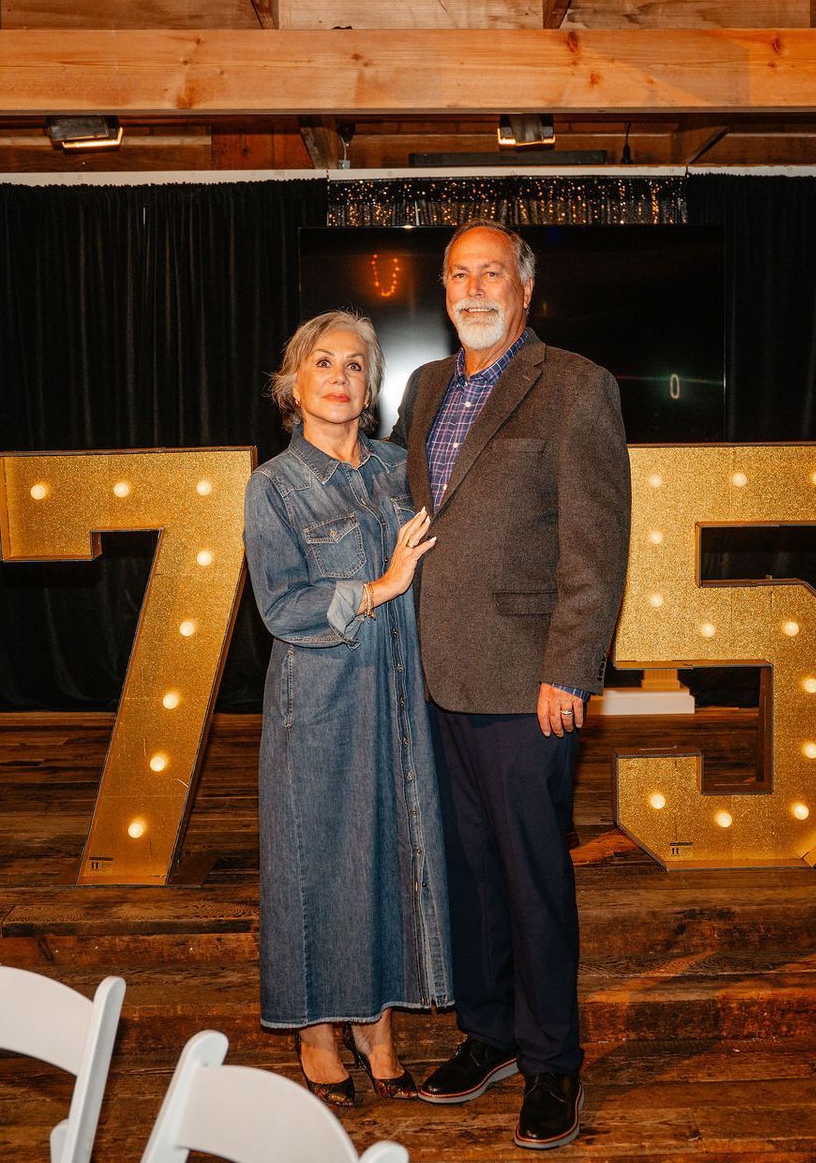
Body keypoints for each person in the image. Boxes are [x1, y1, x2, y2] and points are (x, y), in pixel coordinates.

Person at [390, 220, 631, 1151]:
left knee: (532, 879)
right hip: (438, 674)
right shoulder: (424, 387)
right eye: (459, 273)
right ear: (444, 291)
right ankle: (489, 1032)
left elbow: (596, 542)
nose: (474, 286)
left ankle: (552, 1060)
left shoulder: (576, 385)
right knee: (470, 873)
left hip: (530, 682)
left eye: (493, 271)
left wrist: (570, 665)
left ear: (526, 289)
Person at [243, 310, 452, 1107]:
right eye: (322, 362)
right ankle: (316, 1029)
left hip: (402, 693)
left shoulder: (403, 469)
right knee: (320, 860)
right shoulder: (274, 485)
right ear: (294, 384)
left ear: (369, 387)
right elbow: (283, 606)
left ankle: (378, 1025)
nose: (338, 376)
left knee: (393, 852)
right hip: (322, 699)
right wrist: (376, 588)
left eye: (355, 365)